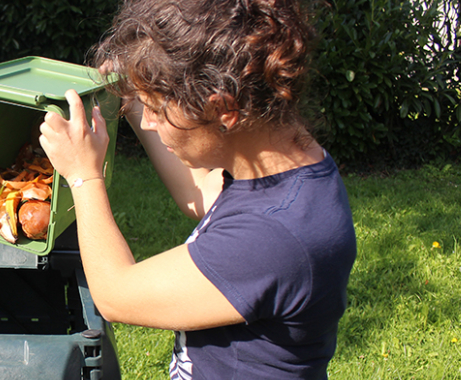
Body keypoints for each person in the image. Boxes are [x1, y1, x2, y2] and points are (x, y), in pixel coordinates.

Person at [37, 0, 357, 378]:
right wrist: (135, 101)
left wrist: (83, 175)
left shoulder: (273, 237)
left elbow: (114, 294)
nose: (150, 121)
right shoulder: (285, 167)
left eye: (157, 108)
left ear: (223, 109)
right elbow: (200, 194)